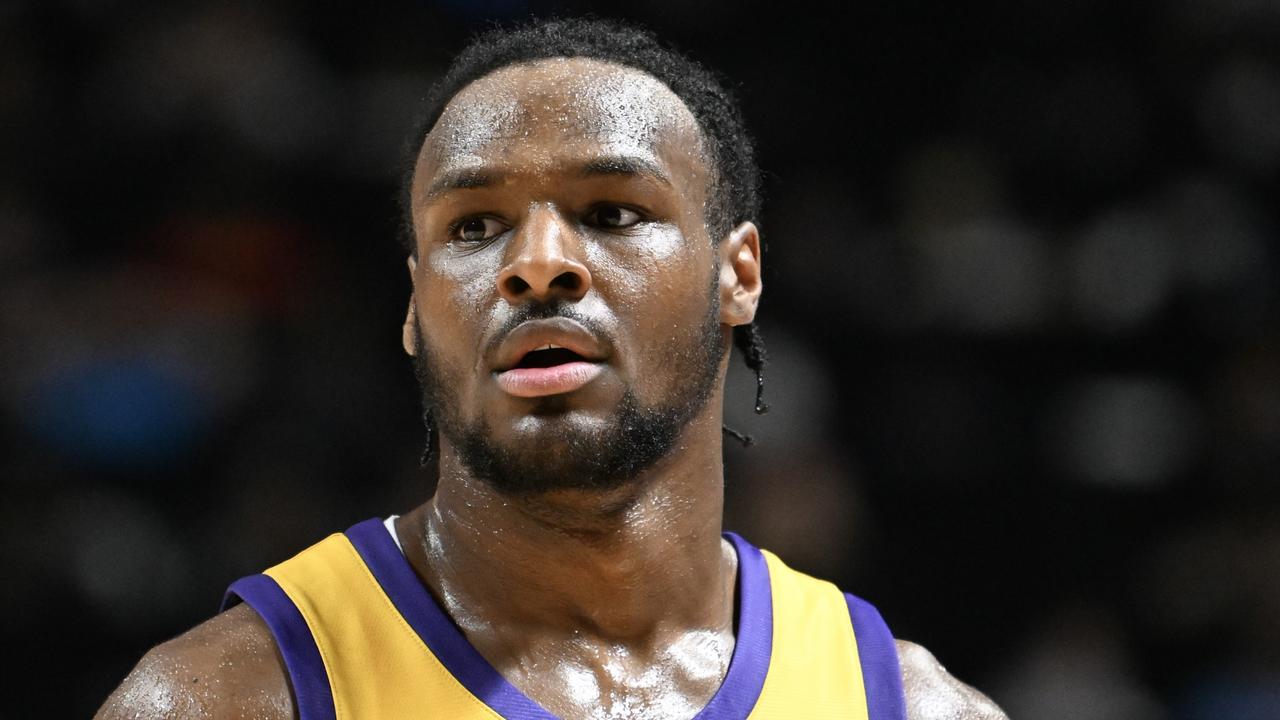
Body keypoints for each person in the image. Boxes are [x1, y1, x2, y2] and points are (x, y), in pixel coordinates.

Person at [97, 18, 1006, 720]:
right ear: (416, 306)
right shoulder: (232, 696)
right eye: (473, 227)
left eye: (612, 212)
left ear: (738, 276)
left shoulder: (910, 705)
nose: (536, 262)